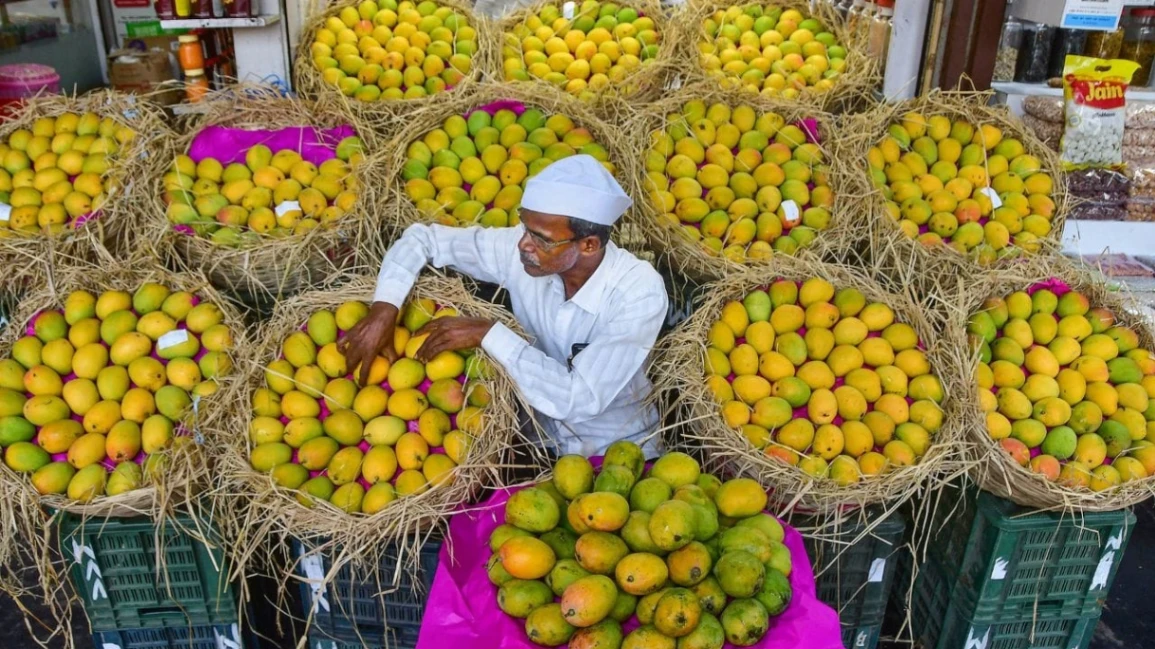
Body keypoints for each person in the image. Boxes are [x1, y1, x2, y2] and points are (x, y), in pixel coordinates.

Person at [339, 155, 668, 457]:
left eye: (541, 239)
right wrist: (385, 307)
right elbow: (423, 239)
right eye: (525, 227)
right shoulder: (523, 249)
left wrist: (487, 333)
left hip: (618, 449)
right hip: (536, 440)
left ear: (588, 245)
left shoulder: (638, 291)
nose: (524, 244)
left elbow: (578, 398)